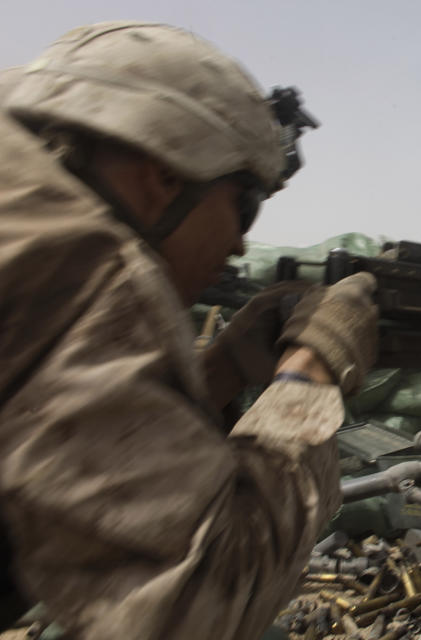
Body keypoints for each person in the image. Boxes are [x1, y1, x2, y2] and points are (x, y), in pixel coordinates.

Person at [0, 21, 377, 639]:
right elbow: (203, 599)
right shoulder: (79, 263)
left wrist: (222, 369)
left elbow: (55, 436)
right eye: (243, 204)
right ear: (163, 175)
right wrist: (312, 370)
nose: (239, 241)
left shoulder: (25, 212)